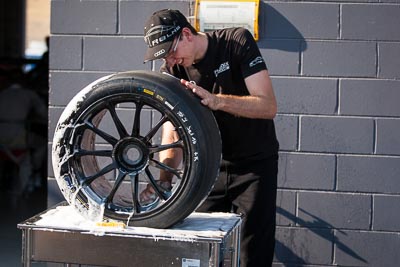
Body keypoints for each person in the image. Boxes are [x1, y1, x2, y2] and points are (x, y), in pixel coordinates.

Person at [141, 9, 279, 267]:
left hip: (254, 166)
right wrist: (164, 179)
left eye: (171, 52)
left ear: (186, 34)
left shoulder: (236, 42)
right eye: (164, 57)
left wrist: (216, 101)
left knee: (254, 254)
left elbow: (268, 106)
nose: (171, 61)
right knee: (196, 253)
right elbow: (173, 129)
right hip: (206, 169)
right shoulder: (174, 69)